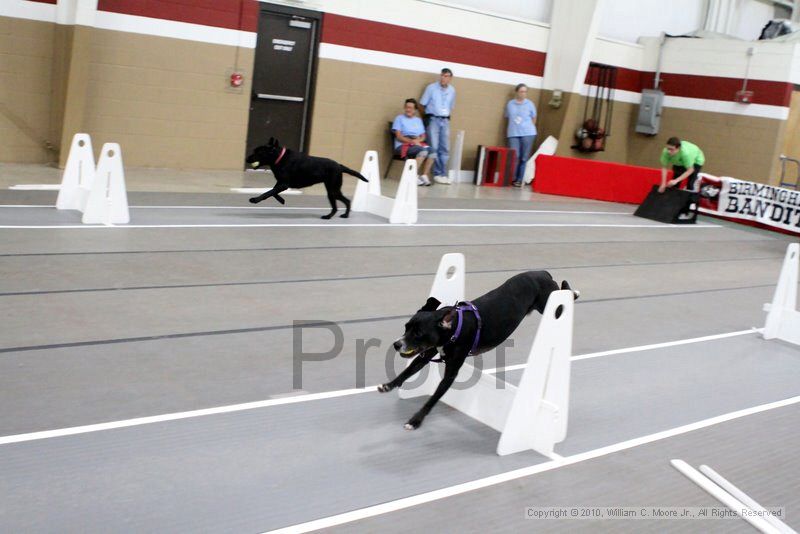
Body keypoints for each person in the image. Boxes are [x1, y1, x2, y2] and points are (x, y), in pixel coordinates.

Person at [419, 68, 455, 184]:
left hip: (445, 120)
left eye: (447, 76)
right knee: (433, 146)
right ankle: (435, 173)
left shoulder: (452, 91)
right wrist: (427, 118)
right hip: (433, 119)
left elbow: (451, 106)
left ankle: (442, 173)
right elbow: (422, 104)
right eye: (442, 75)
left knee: (445, 147)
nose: (444, 78)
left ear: (450, 78)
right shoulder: (431, 88)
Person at [391, 98, 435, 186]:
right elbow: (399, 136)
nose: (408, 109)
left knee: (432, 151)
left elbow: (423, 136)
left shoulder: (418, 120)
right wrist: (412, 141)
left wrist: (417, 141)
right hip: (403, 144)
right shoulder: (399, 118)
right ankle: (412, 176)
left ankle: (424, 176)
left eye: (410, 108)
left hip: (416, 142)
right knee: (422, 151)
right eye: (406, 107)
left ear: (415, 110)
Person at [504, 83, 537, 187]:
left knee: (524, 157)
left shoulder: (530, 104)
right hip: (513, 133)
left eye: (525, 92)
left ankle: (519, 179)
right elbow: (507, 117)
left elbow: (534, 117)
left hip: (528, 133)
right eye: (521, 91)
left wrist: (528, 127)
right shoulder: (510, 104)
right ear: (517, 92)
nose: (523, 94)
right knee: (515, 155)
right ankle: (511, 178)